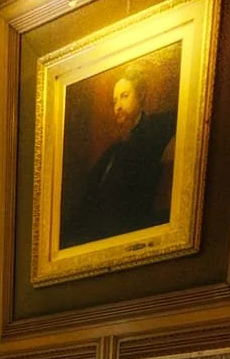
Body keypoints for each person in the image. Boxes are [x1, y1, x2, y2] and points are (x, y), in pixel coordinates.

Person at [60, 64, 177, 249]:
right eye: (115, 101)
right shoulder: (113, 150)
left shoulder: (157, 128)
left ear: (140, 95)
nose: (118, 106)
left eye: (124, 96)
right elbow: (90, 196)